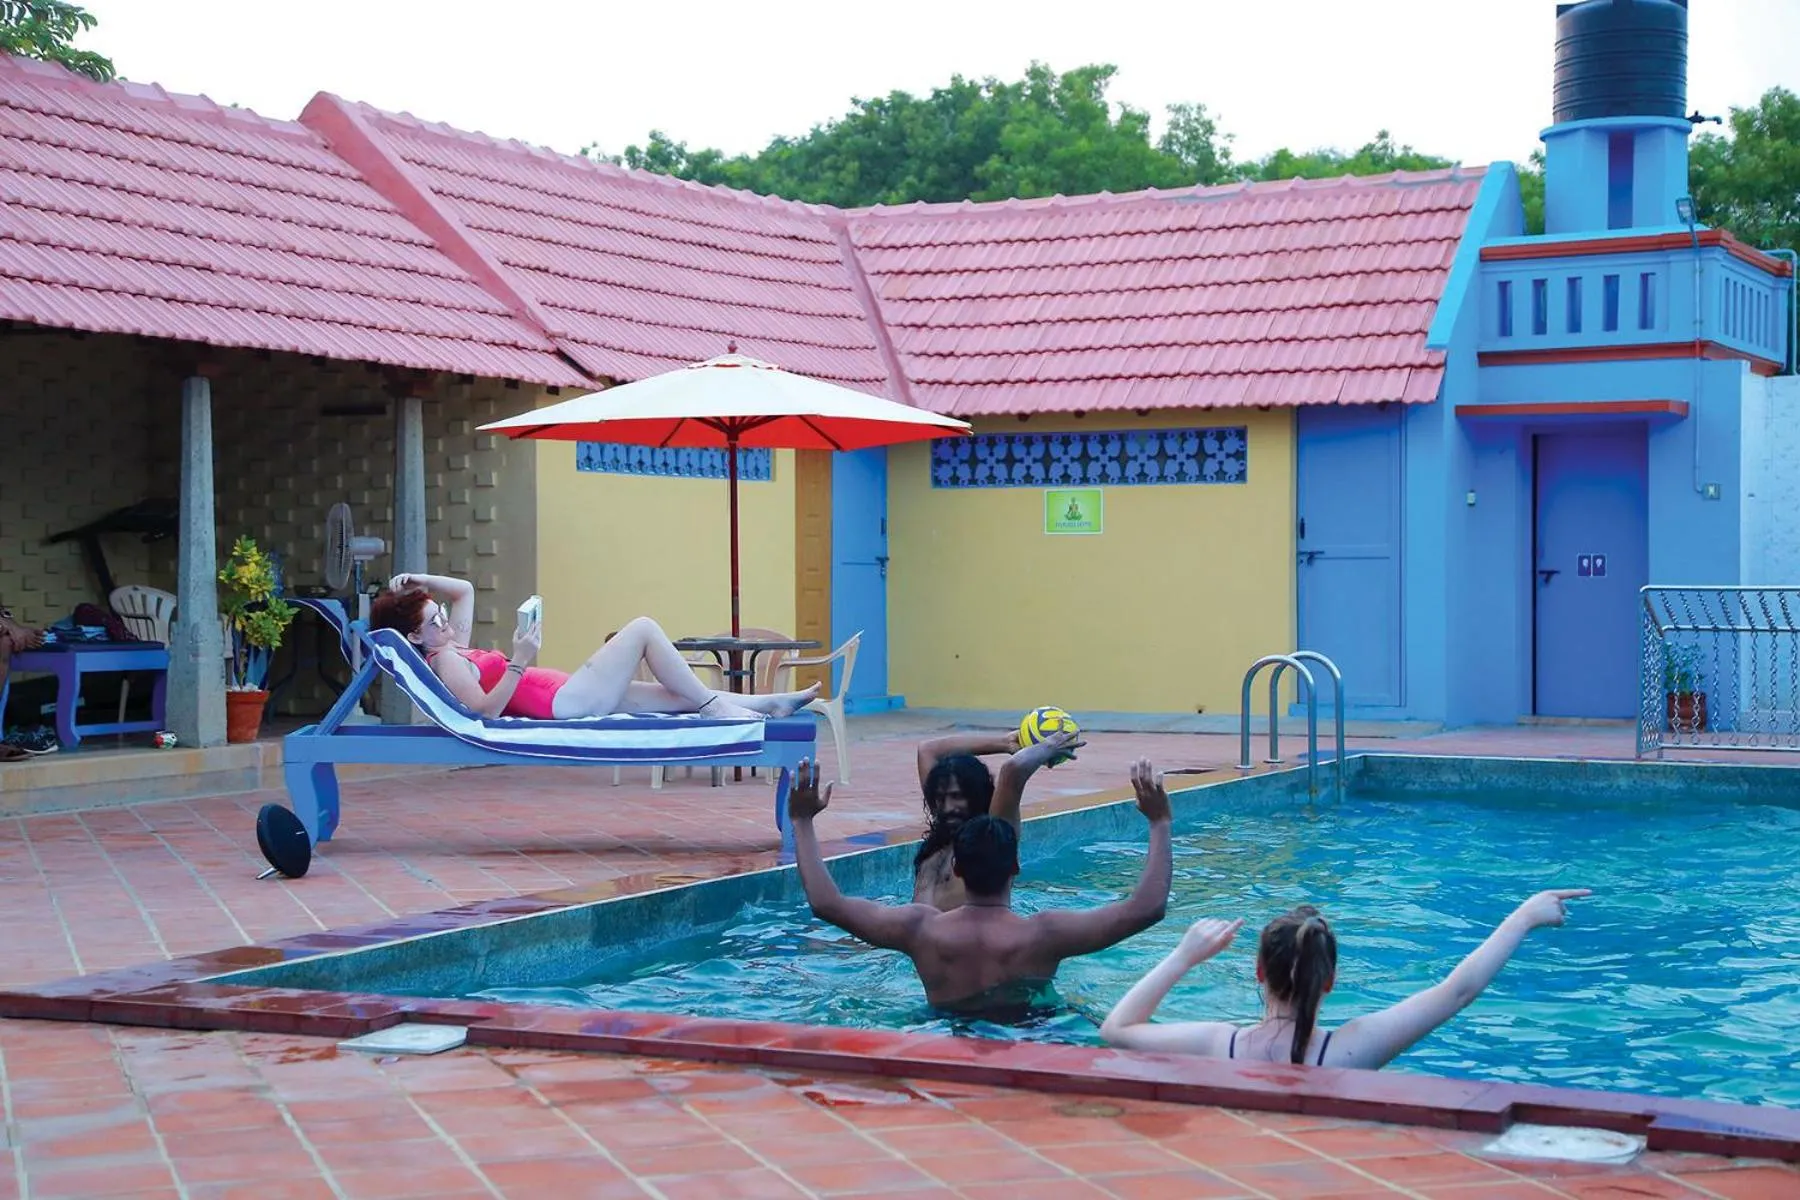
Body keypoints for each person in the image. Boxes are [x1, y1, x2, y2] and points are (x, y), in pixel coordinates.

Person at [788, 756, 1173, 1015]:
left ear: (956, 869)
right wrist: (1159, 823)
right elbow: (1147, 908)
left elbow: (826, 903)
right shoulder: (1045, 934)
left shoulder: (919, 928)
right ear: (1016, 867)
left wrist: (802, 821)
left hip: (945, 1037)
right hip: (1036, 1037)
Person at [1099, 888, 1592, 1070]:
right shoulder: (1354, 1051)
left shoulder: (1217, 1046)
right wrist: (1524, 916)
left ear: (1257, 972)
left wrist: (1183, 957)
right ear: (1330, 980)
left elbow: (1116, 1031)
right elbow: (1458, 991)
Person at [369, 572, 817, 721]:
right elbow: (483, 712)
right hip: (564, 702)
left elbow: (464, 590)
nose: (446, 619)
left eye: (440, 613)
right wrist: (520, 661)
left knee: (673, 695)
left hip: (565, 691)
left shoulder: (450, 644)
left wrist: (420, 581)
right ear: (414, 637)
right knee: (642, 628)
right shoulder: (445, 658)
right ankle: (713, 707)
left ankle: (768, 703)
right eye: (434, 619)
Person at [912, 729, 1081, 908]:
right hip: (920, 935)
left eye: (957, 796)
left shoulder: (992, 837)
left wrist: (1046, 747)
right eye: (940, 797)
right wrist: (1005, 743)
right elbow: (927, 750)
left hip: (968, 935)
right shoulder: (942, 829)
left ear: (977, 795)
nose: (947, 807)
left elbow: (1013, 770)